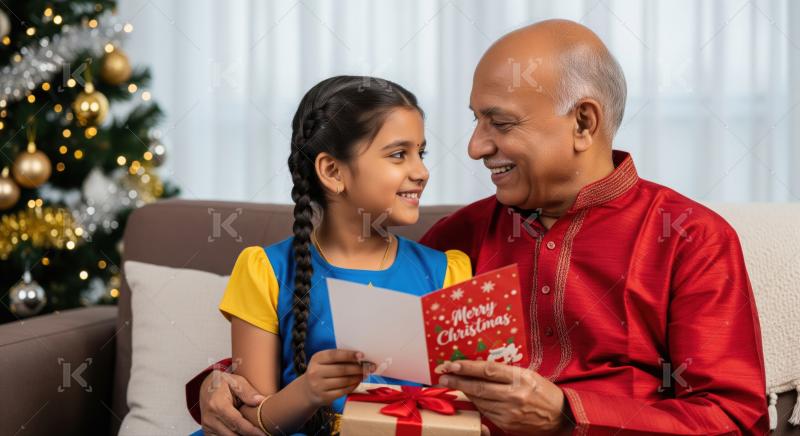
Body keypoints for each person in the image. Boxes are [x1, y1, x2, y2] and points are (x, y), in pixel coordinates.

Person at [187, 20, 769, 435]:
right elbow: (345, 331)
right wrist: (220, 385)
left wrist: (569, 413)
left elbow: (735, 417)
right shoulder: (458, 240)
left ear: (584, 123)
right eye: (474, 120)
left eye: (500, 123)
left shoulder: (691, 238)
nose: (473, 147)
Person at [190, 76, 472, 435]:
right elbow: (251, 422)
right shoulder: (266, 271)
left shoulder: (448, 273)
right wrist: (308, 391)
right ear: (333, 171)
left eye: (421, 152)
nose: (421, 171)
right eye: (399, 154)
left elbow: (461, 408)